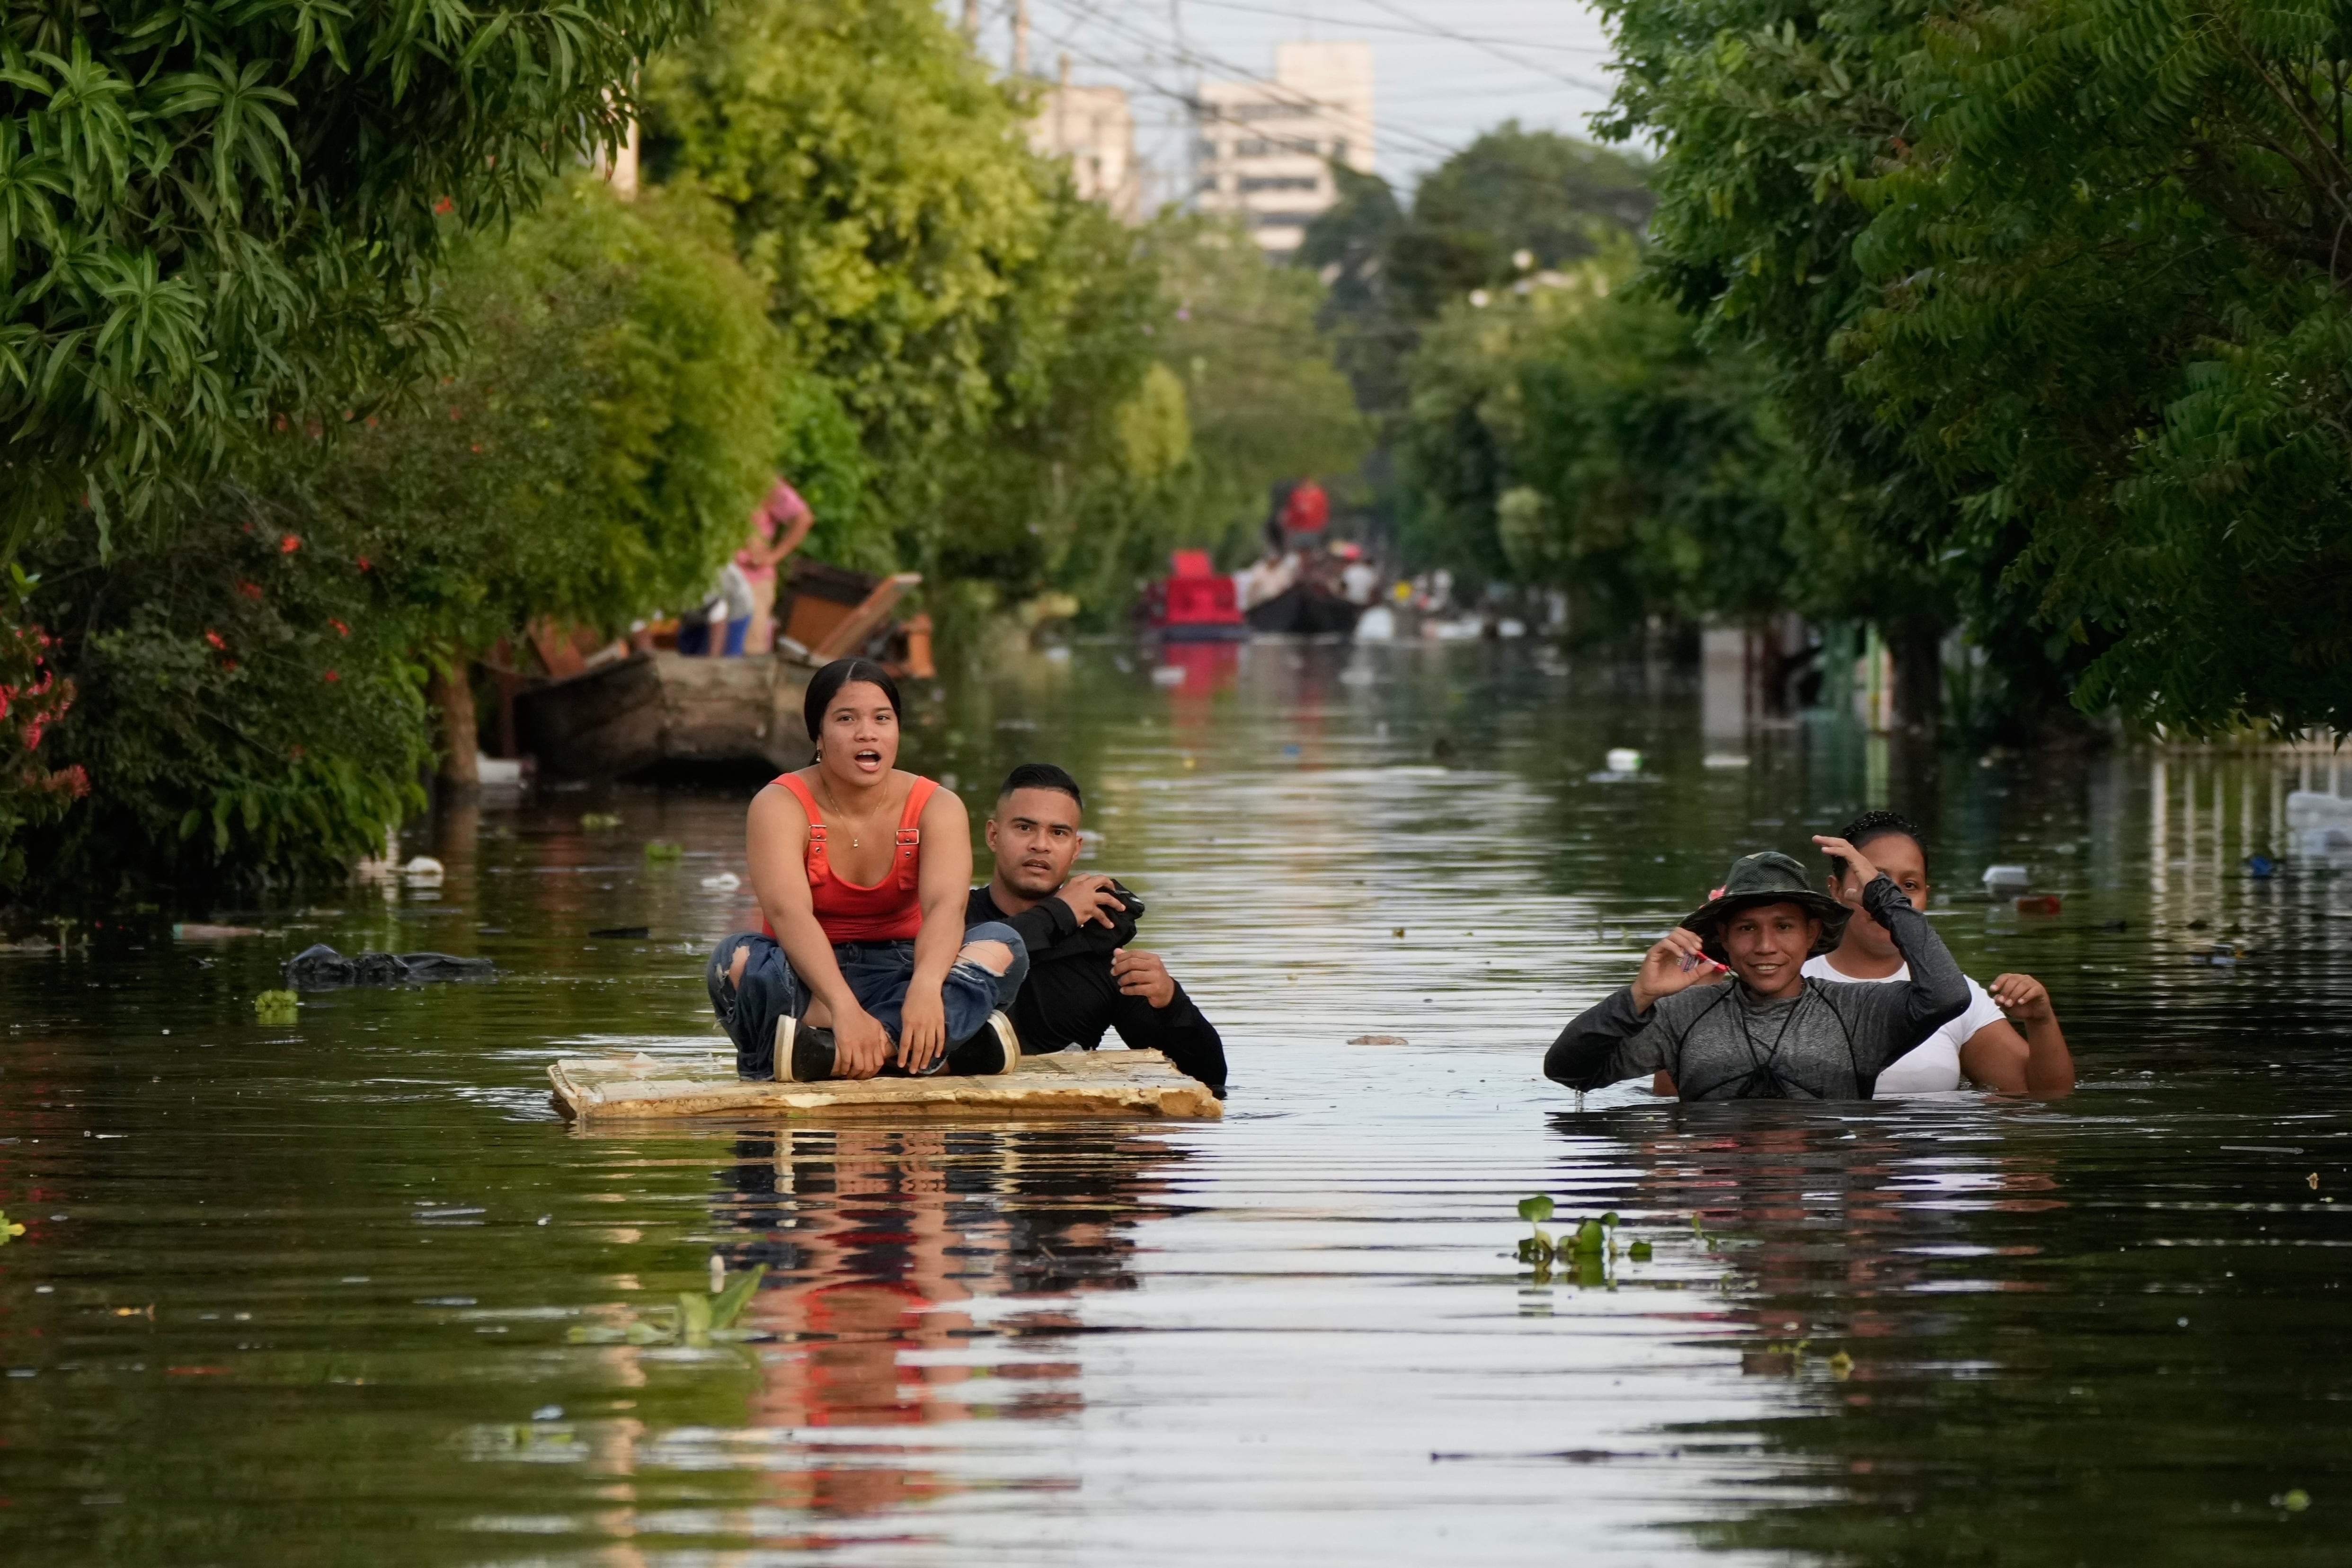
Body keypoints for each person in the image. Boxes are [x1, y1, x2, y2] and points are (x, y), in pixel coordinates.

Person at [707, 658, 1028, 1082]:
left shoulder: (937, 806)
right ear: (817, 735)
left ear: (897, 730)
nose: (867, 732)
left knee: (1003, 945)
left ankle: (823, 1054)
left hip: (904, 972)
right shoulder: (778, 803)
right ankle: (932, 1054)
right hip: (805, 980)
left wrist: (927, 987)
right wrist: (841, 1007)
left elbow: (946, 908)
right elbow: (788, 914)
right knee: (736, 960)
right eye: (846, 718)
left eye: (882, 718)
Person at [1545, 839, 1970, 1101]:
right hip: (1723, 1203)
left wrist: (1883, 894)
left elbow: (1947, 995)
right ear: (1723, 940)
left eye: (1783, 927)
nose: (1765, 946)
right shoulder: (1680, 1015)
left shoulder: (1858, 1012)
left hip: (1817, 1197)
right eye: (1747, 928)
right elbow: (1569, 1072)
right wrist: (1639, 995)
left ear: (1811, 933)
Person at [964, 763, 1227, 1092]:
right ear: (993, 835)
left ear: (1076, 849)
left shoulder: (1098, 944)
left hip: (1066, 1135)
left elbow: (1209, 1080)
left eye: (1058, 833)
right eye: (1024, 828)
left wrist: (1171, 1003)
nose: (1040, 844)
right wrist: (1058, 913)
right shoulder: (947, 918)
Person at [1807, 810, 2075, 1095]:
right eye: (1874, 881)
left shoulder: (1953, 995)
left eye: (1909, 886)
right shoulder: (1789, 986)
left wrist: (2041, 1021)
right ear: (1836, 890)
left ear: (1926, 896)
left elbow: (2043, 1097)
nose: (1890, 899)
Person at [737, 478, 816, 654]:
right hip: (716, 576)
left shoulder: (764, 482)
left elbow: (803, 518)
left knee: (751, 647)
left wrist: (773, 557)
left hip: (751, 577)